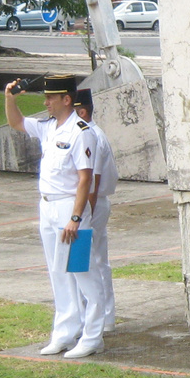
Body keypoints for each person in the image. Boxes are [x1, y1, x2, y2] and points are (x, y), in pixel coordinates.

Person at [3, 73, 105, 358]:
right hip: (47, 205)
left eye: (51, 98)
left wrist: (75, 218)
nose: (46, 103)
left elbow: (85, 179)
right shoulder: (50, 128)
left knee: (83, 272)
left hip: (69, 206)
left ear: (66, 99)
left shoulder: (81, 130)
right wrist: (9, 98)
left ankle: (93, 336)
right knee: (58, 272)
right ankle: (64, 332)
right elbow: (17, 123)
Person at [72, 88, 119, 334]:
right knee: (98, 261)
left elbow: (93, 182)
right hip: (95, 203)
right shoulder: (92, 133)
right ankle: (104, 317)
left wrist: (83, 216)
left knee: (88, 262)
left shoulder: (91, 136)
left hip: (92, 203)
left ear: (81, 111)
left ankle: (96, 318)